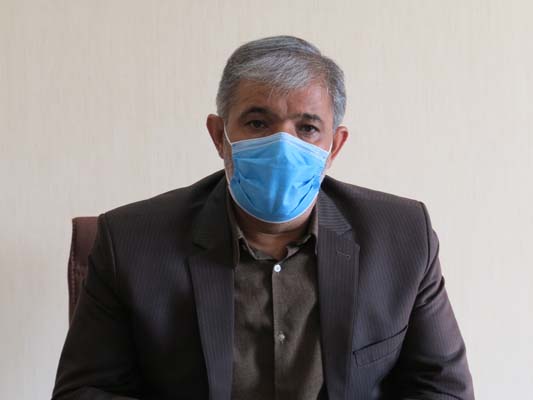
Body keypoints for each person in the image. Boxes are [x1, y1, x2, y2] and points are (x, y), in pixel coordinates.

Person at [51, 35, 474, 400]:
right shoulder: (130, 241)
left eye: (307, 128)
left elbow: (442, 389)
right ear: (219, 136)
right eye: (257, 123)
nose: (282, 145)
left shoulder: (401, 236)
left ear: (335, 145)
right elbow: (86, 391)